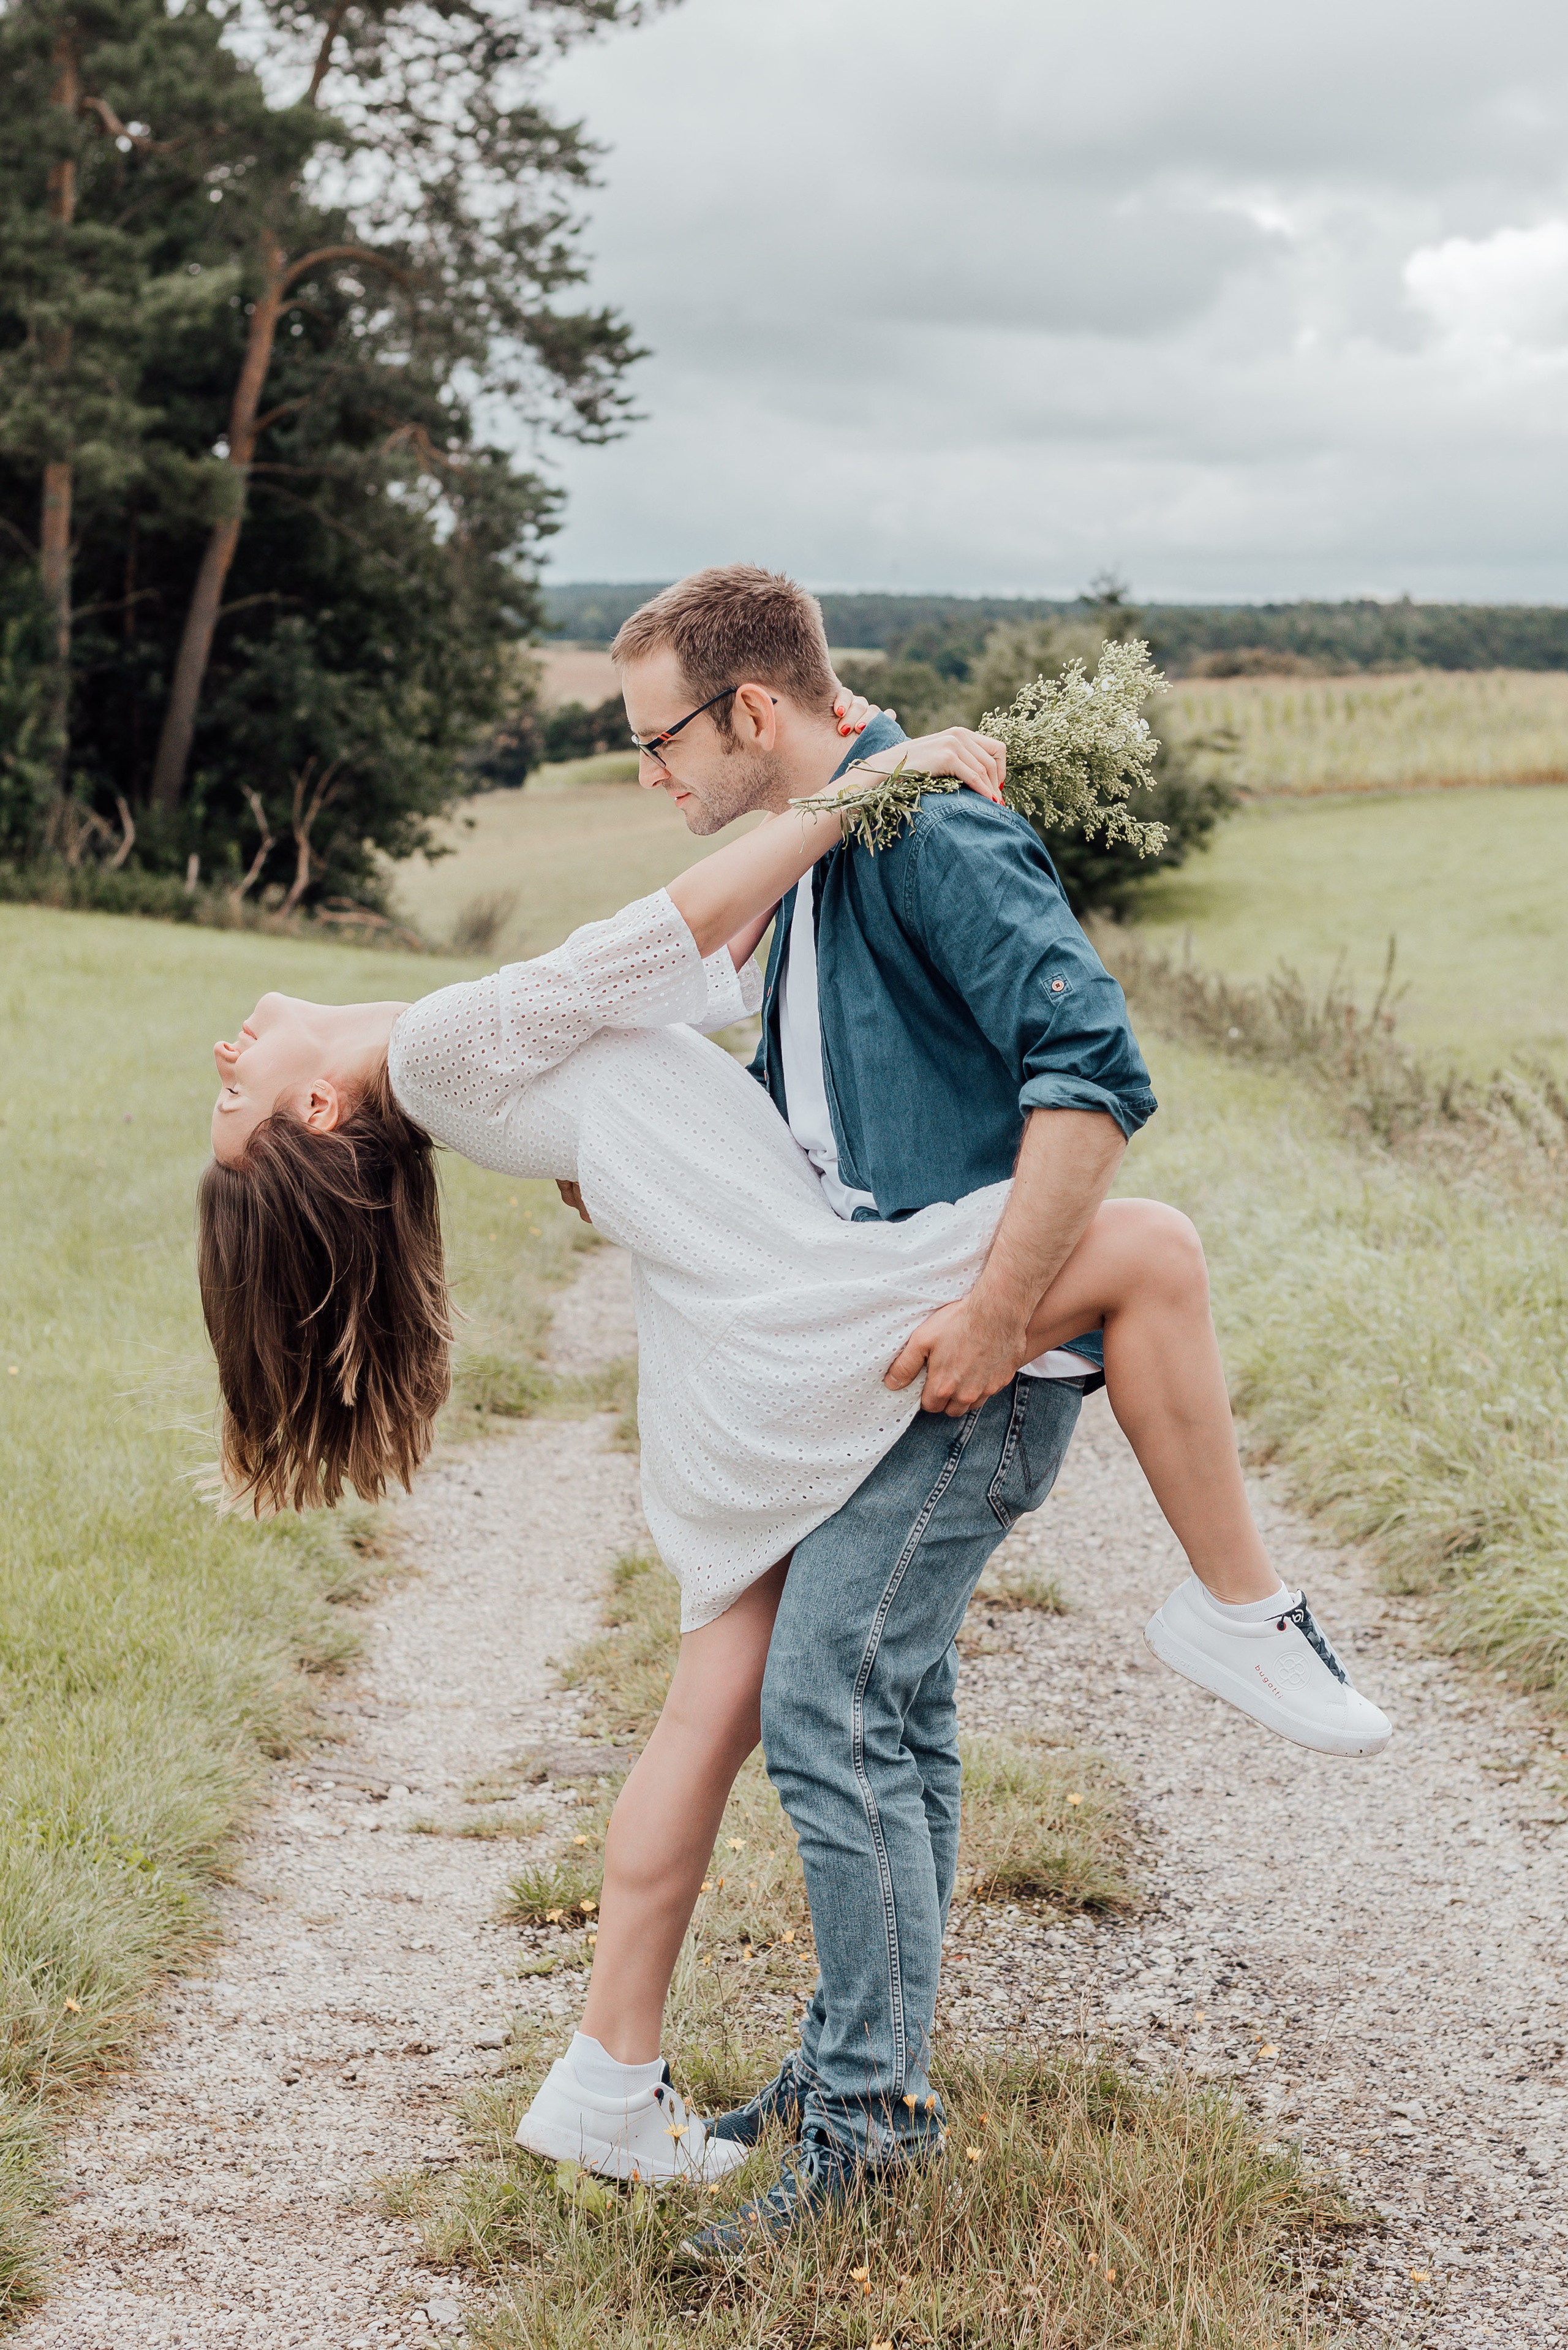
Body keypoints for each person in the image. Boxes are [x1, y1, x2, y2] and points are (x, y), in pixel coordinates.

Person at [197, 603, 1389, 2220]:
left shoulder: (455, 1062)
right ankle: (1245, 1605)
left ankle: (608, 2074)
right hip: (795, 1313)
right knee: (1151, 1253)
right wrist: (867, 789)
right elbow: (666, 936)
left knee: (721, 1708)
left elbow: (701, 1003)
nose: (226, 1053)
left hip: (750, 1338)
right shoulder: (443, 1042)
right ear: (326, 1112)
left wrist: (858, 798)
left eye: (657, 739)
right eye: (236, 1098)